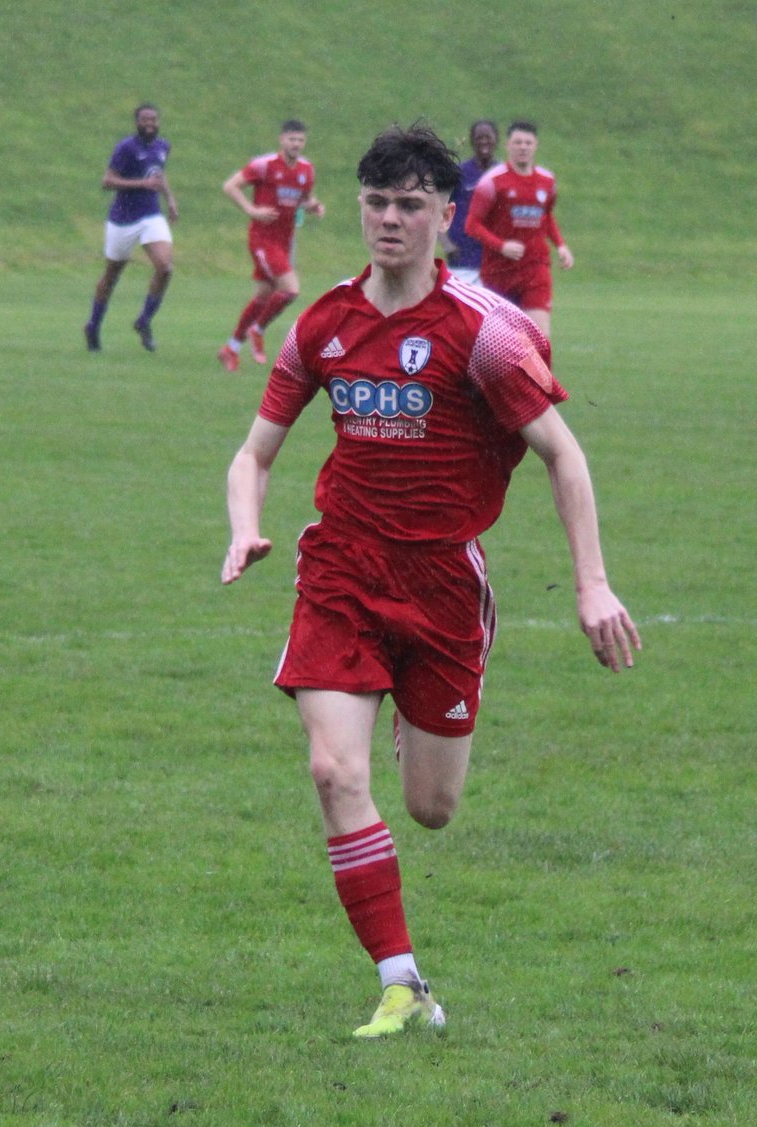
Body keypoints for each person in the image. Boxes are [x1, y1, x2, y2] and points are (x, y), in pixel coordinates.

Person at [221, 123, 639, 1039]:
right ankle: (403, 982)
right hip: (340, 568)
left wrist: (592, 585)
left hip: (445, 582)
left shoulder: (485, 333)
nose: (389, 220)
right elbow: (252, 456)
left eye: (411, 204)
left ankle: (417, 722)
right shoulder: (325, 322)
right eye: (376, 203)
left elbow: (565, 458)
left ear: (449, 215)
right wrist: (246, 527)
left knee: (432, 808)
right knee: (334, 770)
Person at [217, 119, 325, 372]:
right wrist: (251, 210)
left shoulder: (306, 170)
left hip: (285, 241)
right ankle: (258, 329)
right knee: (290, 290)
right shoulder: (264, 166)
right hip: (263, 240)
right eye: (291, 139)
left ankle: (230, 349)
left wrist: (314, 207)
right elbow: (230, 186)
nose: (295, 144)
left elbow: (304, 200)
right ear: (282, 140)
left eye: (300, 140)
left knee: (263, 296)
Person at [463, 120, 573, 337]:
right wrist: (501, 246)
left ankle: (540, 372)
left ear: (536, 146)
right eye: (518, 142)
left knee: (538, 339)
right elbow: (472, 225)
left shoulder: (547, 181)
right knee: (501, 344)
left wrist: (560, 245)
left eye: (528, 143)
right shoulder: (492, 182)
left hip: (535, 269)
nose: (523, 147)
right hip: (499, 272)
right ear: (508, 146)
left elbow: (546, 216)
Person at [84, 104, 178, 353]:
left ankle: (144, 320)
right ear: (137, 123)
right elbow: (107, 181)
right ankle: (93, 326)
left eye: (154, 119)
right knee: (111, 276)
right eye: (145, 119)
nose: (150, 123)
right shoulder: (126, 148)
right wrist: (141, 183)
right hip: (123, 219)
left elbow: (158, 176)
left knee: (165, 267)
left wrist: (169, 199)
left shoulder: (162, 146)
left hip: (151, 216)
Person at [440, 120, 498, 283]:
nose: (484, 141)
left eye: (488, 137)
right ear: (472, 141)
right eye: (479, 137)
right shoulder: (460, 173)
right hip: (462, 259)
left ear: (496, 140)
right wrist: (447, 244)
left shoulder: (503, 173)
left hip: (495, 259)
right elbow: (438, 208)